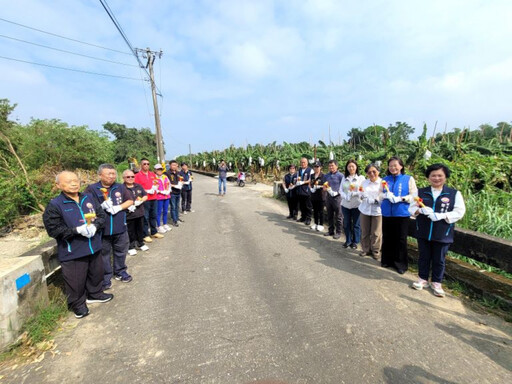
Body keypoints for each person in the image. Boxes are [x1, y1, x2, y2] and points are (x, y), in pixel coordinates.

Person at [43, 171, 113, 319]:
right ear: (58, 185)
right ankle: (78, 304)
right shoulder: (55, 205)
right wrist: (76, 230)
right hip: (73, 250)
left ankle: (95, 293)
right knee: (76, 281)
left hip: (93, 245)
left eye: (76, 180)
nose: (74, 184)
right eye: (68, 182)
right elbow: (53, 230)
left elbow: (101, 215)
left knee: (96, 273)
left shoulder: (88, 197)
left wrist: (95, 226)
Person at [409, 163, 465, 297]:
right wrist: (420, 210)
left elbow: (459, 211)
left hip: (443, 233)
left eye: (440, 175)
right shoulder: (420, 192)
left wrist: (442, 215)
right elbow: (411, 209)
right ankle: (423, 279)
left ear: (445, 177)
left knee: (439, 259)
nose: (436, 178)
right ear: (428, 177)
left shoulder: (453, 194)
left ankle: (437, 282)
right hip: (424, 230)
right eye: (433, 175)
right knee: (424, 256)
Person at [84, 164, 134, 289]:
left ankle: (120, 271)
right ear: (100, 175)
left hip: (120, 226)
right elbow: (86, 205)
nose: (112, 177)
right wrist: (100, 206)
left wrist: (118, 207)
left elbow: (130, 201)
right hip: (102, 229)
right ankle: (106, 277)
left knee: (121, 251)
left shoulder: (120, 187)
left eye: (113, 174)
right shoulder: (92, 189)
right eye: (109, 174)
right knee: (104, 254)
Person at [380, 156, 418, 274]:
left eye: (395, 165)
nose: (393, 168)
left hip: (401, 213)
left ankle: (400, 264)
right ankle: (387, 260)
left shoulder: (408, 179)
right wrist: (386, 196)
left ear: (401, 166)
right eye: (390, 166)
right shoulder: (385, 179)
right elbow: (380, 194)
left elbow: (414, 196)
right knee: (387, 237)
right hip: (387, 213)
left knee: (400, 239)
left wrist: (401, 198)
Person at [134, 158, 164, 242]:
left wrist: (155, 188)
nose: (146, 165)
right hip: (145, 199)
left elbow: (156, 183)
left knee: (153, 215)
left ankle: (154, 232)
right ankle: (145, 234)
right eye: (144, 164)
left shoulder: (152, 174)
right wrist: (146, 190)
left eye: (148, 164)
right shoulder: (137, 176)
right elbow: (136, 188)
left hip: (154, 197)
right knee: (145, 217)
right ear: (141, 165)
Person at [358, 164, 383, 260]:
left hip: (377, 210)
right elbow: (360, 192)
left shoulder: (382, 183)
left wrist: (376, 199)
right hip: (365, 209)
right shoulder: (364, 182)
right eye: (369, 172)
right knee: (365, 231)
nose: (372, 174)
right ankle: (365, 249)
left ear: (378, 172)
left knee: (376, 233)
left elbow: (384, 194)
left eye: (374, 171)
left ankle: (375, 251)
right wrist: (363, 196)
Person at [122, 169, 148, 256]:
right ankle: (131, 246)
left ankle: (140, 243)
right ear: (124, 178)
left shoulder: (138, 186)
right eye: (128, 177)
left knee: (140, 229)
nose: (130, 178)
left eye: (132, 176)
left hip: (140, 212)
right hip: (129, 214)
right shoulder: (121, 188)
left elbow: (145, 196)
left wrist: (140, 201)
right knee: (130, 231)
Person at [340, 159, 365, 249]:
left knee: (356, 224)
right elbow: (341, 190)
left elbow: (363, 190)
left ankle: (355, 241)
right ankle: (348, 240)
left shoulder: (361, 178)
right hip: (345, 204)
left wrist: (355, 193)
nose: (351, 168)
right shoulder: (344, 178)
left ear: (356, 167)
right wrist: (345, 196)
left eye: (352, 166)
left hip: (356, 204)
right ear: (347, 168)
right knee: (346, 223)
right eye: (349, 166)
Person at [323, 159, 344, 239]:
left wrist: (337, 193)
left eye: (332, 165)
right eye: (329, 166)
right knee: (329, 215)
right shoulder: (326, 176)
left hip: (337, 198)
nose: (331, 167)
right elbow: (324, 186)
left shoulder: (341, 176)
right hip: (328, 197)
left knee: (339, 216)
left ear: (336, 166)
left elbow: (343, 188)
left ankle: (338, 232)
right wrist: (325, 189)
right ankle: (331, 230)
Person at [165, 160, 183, 227]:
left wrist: (181, 183)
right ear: (170, 165)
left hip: (178, 192)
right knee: (173, 207)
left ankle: (177, 217)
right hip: (172, 192)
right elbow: (166, 183)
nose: (174, 166)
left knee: (177, 206)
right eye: (173, 165)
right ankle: (174, 220)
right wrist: (174, 186)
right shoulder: (167, 173)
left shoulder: (178, 173)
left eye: (175, 165)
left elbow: (181, 180)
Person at [154, 164, 171, 233]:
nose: (159, 171)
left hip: (167, 196)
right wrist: (161, 192)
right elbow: (154, 188)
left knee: (165, 211)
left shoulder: (165, 176)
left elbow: (169, 184)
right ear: (155, 170)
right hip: (159, 197)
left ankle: (165, 224)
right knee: (159, 212)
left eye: (160, 169)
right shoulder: (154, 178)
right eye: (158, 169)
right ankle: (158, 225)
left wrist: (168, 191)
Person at [296, 157, 313, 225]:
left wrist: (303, 182)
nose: (302, 164)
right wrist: (297, 182)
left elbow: (311, 180)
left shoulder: (310, 170)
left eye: (304, 162)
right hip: (300, 190)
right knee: (302, 205)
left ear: (307, 163)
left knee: (308, 205)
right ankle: (303, 217)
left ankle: (308, 218)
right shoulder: (299, 170)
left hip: (307, 190)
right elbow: (297, 178)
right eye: (301, 162)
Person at [309, 161, 325, 231]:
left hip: (321, 196)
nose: (316, 168)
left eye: (317, 167)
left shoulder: (323, 176)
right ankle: (315, 223)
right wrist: (311, 188)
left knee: (320, 211)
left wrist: (319, 186)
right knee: (315, 210)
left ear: (320, 167)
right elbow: (309, 183)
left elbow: (326, 185)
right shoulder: (312, 175)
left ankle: (321, 224)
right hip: (314, 195)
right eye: (315, 167)